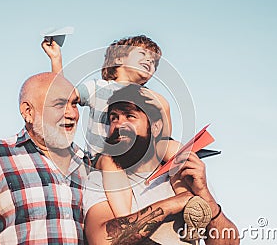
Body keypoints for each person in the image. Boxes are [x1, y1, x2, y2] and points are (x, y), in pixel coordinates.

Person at [42, 35, 195, 219]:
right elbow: (64, 94)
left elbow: (163, 137)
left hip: (140, 157)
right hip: (105, 156)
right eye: (143, 54)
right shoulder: (99, 88)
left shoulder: (152, 98)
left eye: (154, 61)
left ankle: (191, 204)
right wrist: (56, 59)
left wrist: (163, 107)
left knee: (173, 148)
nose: (150, 61)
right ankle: (130, 220)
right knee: (109, 159)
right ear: (119, 58)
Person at [83, 84, 240, 244]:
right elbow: (101, 240)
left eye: (130, 116)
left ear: (156, 127)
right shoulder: (99, 180)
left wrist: (204, 195)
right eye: (114, 118)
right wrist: (174, 203)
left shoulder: (187, 175)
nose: (119, 125)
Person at [0, 73, 88, 244]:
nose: (72, 113)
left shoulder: (87, 163)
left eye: (73, 104)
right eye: (59, 104)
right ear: (28, 112)